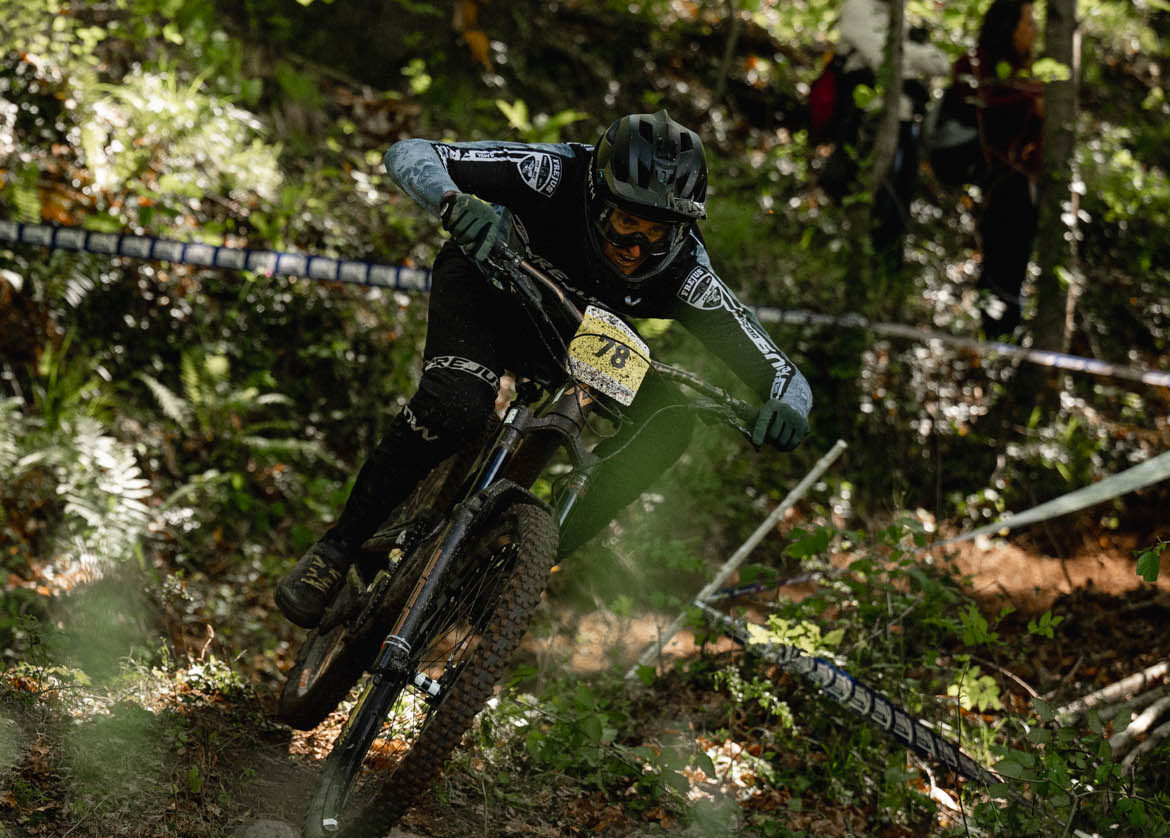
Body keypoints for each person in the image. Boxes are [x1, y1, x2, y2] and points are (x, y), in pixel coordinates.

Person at [275, 111, 814, 628]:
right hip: (488, 281)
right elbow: (411, 152)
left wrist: (788, 407)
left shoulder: (686, 271)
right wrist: (453, 201)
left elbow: (779, 370)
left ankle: (511, 567)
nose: (637, 247)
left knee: (668, 424)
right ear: (598, 196)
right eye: (627, 222)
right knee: (456, 403)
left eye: (659, 232)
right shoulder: (555, 174)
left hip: (580, 331)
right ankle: (336, 551)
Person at [819, 0, 951, 268]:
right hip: (869, 116)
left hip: (905, 120)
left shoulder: (900, 17)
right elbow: (880, 56)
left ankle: (887, 268)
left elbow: (940, 63)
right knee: (867, 192)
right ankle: (855, 267)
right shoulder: (859, 6)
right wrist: (911, 60)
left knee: (899, 199)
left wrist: (908, 56)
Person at [969, 0, 1043, 339]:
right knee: (1000, 260)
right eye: (1028, 22)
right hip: (999, 180)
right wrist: (1031, 103)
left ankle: (1005, 333)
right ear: (1008, 28)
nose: (1034, 30)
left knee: (1016, 262)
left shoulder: (1027, 72)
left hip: (1025, 182)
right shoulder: (983, 66)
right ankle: (991, 335)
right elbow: (985, 107)